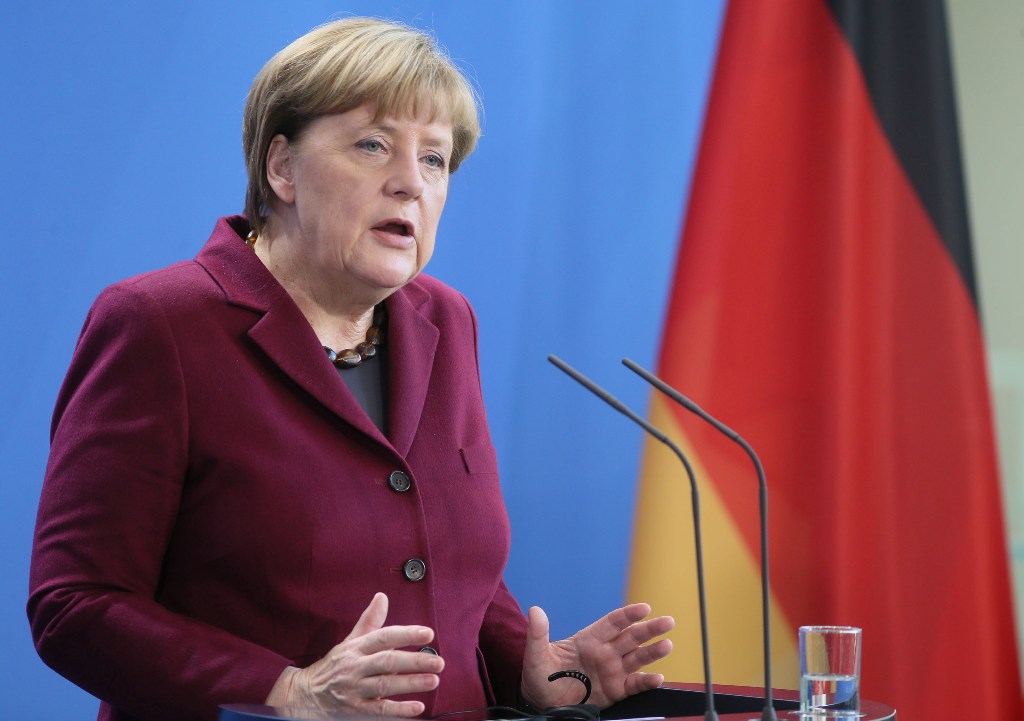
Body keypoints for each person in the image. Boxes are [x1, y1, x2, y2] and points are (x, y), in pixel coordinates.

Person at [28, 17, 674, 721]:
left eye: (435, 159)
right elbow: (75, 606)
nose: (411, 183)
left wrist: (529, 667)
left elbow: (445, 564)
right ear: (282, 168)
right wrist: (287, 690)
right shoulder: (162, 324)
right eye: (373, 145)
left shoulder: (445, 321)